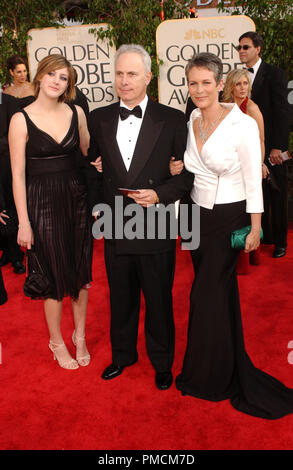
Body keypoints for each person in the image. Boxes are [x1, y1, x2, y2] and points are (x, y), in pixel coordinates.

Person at [175, 52, 293, 419]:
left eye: (205, 82)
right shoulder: (192, 118)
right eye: (192, 83)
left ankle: (207, 376)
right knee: (218, 292)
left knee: (205, 293)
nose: (198, 89)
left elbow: (251, 177)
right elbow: (189, 167)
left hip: (229, 215)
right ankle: (222, 364)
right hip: (196, 215)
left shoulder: (240, 123)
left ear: (219, 83)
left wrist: (256, 226)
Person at [87, 44, 193, 390]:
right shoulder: (100, 117)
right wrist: (94, 169)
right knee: (120, 295)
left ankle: (162, 362)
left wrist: (160, 193)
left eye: (132, 73)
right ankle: (122, 356)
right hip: (115, 221)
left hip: (156, 221)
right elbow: (93, 165)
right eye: (119, 73)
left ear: (149, 76)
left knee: (159, 298)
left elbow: (186, 176)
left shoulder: (172, 118)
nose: (124, 80)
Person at [8, 54, 92, 370]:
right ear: (41, 76)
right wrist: (23, 222)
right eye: (53, 75)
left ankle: (79, 335)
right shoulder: (20, 119)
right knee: (54, 273)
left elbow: (88, 154)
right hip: (41, 201)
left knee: (81, 272)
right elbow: (17, 175)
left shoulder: (77, 112)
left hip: (76, 198)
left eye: (64, 78)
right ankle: (56, 340)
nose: (57, 81)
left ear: (69, 85)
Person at [237, 31, 291, 258]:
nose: (241, 51)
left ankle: (280, 242)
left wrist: (277, 147)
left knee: (276, 193)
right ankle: (261, 236)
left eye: (246, 47)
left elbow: (283, 113)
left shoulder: (276, 74)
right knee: (254, 193)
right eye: (239, 47)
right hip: (246, 147)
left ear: (258, 49)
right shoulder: (238, 76)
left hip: (271, 148)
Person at [222, 68, 267, 273]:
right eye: (238, 84)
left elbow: (260, 141)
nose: (242, 88)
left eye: (245, 84)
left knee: (245, 212)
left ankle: (245, 258)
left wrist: (258, 165)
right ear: (230, 85)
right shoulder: (225, 106)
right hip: (229, 165)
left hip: (246, 167)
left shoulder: (252, 108)